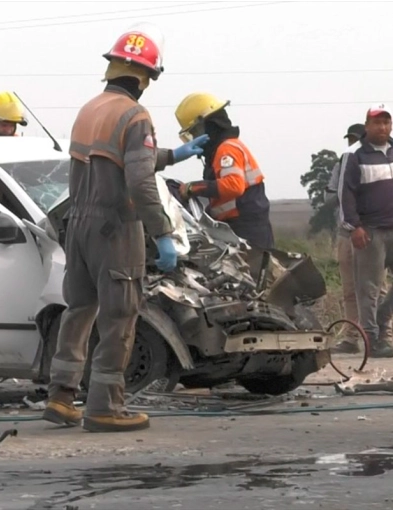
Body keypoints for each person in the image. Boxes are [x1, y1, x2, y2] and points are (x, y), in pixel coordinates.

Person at [42, 23, 179, 433]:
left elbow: (113, 160)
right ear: (145, 77)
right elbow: (138, 180)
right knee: (120, 315)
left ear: (112, 68)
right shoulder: (136, 115)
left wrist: (172, 155)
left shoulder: (91, 109)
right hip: (116, 226)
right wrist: (162, 231)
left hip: (79, 224)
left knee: (79, 311)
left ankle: (61, 397)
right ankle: (105, 407)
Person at [173, 92, 274, 273]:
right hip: (242, 226)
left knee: (251, 281)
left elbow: (233, 186)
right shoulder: (227, 147)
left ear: (207, 125)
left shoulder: (227, 149)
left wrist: (193, 188)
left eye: (195, 132)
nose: (195, 138)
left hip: (247, 228)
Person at [339, 104, 393, 358]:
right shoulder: (355, 155)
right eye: (377, 123)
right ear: (367, 126)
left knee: (378, 290)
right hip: (370, 230)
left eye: (386, 122)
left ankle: (381, 320)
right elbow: (345, 194)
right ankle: (371, 339)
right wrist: (354, 226)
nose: (382, 127)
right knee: (368, 287)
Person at [325, 123, 366, 353]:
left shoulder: (377, 163)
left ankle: (380, 335)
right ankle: (352, 337)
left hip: (372, 232)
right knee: (350, 289)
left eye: (356, 139)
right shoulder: (341, 164)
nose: (352, 144)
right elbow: (329, 196)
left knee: (375, 288)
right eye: (350, 140)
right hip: (346, 232)